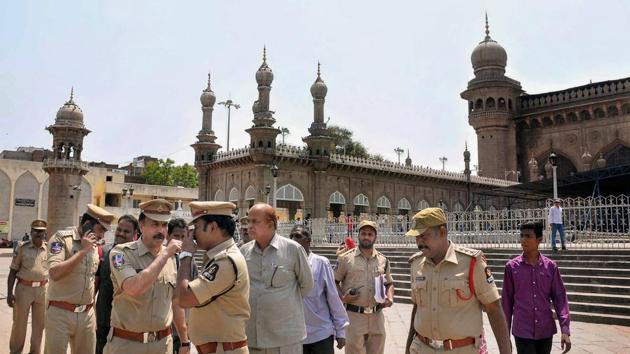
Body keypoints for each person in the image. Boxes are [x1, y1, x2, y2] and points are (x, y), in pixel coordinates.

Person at [404, 207, 512, 354]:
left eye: (424, 236)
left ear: (442, 232)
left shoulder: (471, 263)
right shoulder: (416, 264)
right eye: (416, 237)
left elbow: (494, 309)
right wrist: (408, 348)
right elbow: (417, 309)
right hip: (421, 348)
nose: (419, 242)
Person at [105, 199, 185, 354]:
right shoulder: (121, 253)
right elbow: (133, 288)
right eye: (155, 224)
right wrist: (165, 254)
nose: (161, 230)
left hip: (162, 345)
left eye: (164, 225)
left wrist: (185, 340)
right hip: (127, 345)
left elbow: (174, 301)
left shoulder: (173, 258)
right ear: (141, 226)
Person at [176, 201, 250, 354]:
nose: (193, 234)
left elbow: (184, 299)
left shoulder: (226, 261)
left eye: (196, 227)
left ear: (212, 227)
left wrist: (186, 255)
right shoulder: (216, 257)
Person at [240, 203, 314, 353]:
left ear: (270, 224)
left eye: (255, 221)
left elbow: (306, 285)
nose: (249, 226)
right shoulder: (244, 252)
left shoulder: (292, 249)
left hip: (285, 339)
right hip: (253, 337)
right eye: (248, 221)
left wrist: (282, 302)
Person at [44, 204, 114, 354]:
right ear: (87, 224)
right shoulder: (61, 239)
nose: (102, 235)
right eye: (100, 229)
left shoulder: (94, 247)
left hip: (86, 315)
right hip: (60, 313)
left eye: (104, 231)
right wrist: (83, 251)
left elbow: (90, 282)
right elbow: (55, 274)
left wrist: (92, 314)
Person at [502, 221, 571, 354]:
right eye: (521, 236)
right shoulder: (511, 268)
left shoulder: (550, 267)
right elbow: (506, 303)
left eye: (528, 236)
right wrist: (505, 336)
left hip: (545, 330)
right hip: (522, 331)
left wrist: (565, 330)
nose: (523, 240)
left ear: (539, 240)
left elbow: (560, 298)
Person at [335, 220, 394, 354]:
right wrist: (343, 298)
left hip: (377, 317)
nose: (366, 237)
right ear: (358, 235)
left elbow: (389, 283)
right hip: (354, 317)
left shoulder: (383, 260)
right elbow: (334, 282)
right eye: (363, 233)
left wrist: (389, 297)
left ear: (375, 237)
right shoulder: (345, 259)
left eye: (370, 234)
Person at [289, 225, 349, 353]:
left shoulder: (321, 263)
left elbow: (333, 297)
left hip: (321, 334)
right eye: (291, 236)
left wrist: (340, 331)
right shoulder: (285, 265)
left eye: (298, 236)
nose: (294, 239)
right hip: (294, 336)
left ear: (308, 240)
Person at [95, 214, 139, 354]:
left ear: (135, 235)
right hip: (104, 321)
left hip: (126, 325)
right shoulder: (103, 252)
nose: (121, 233)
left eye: (126, 231)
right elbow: (95, 286)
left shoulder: (137, 257)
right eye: (119, 229)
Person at [8, 219, 48, 354]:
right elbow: (12, 271)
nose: (39, 234)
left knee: (39, 325)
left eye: (41, 231)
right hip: (24, 289)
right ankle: (15, 351)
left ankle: (35, 352)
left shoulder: (49, 249)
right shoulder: (22, 247)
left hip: (42, 290)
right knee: (19, 324)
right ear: (31, 232)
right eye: (36, 231)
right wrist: (9, 293)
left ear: (45, 233)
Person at [167, 217, 195, 354]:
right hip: (163, 329)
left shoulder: (188, 261)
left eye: (183, 236)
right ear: (168, 236)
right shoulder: (161, 259)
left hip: (181, 330)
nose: (179, 240)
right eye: (176, 236)